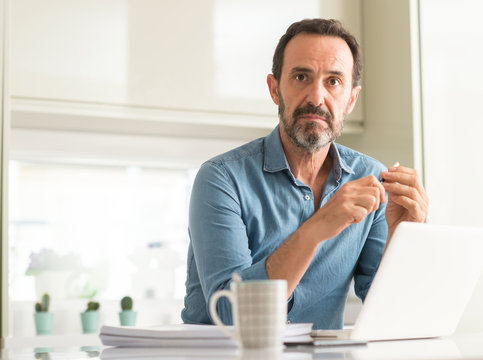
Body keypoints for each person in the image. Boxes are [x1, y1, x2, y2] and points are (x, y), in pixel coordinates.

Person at [181, 18, 428, 329]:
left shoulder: (372, 179)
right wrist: (319, 226)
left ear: (351, 99)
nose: (316, 97)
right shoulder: (221, 179)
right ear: (275, 89)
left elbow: (389, 316)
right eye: (301, 77)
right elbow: (233, 315)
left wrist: (405, 240)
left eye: (334, 81)